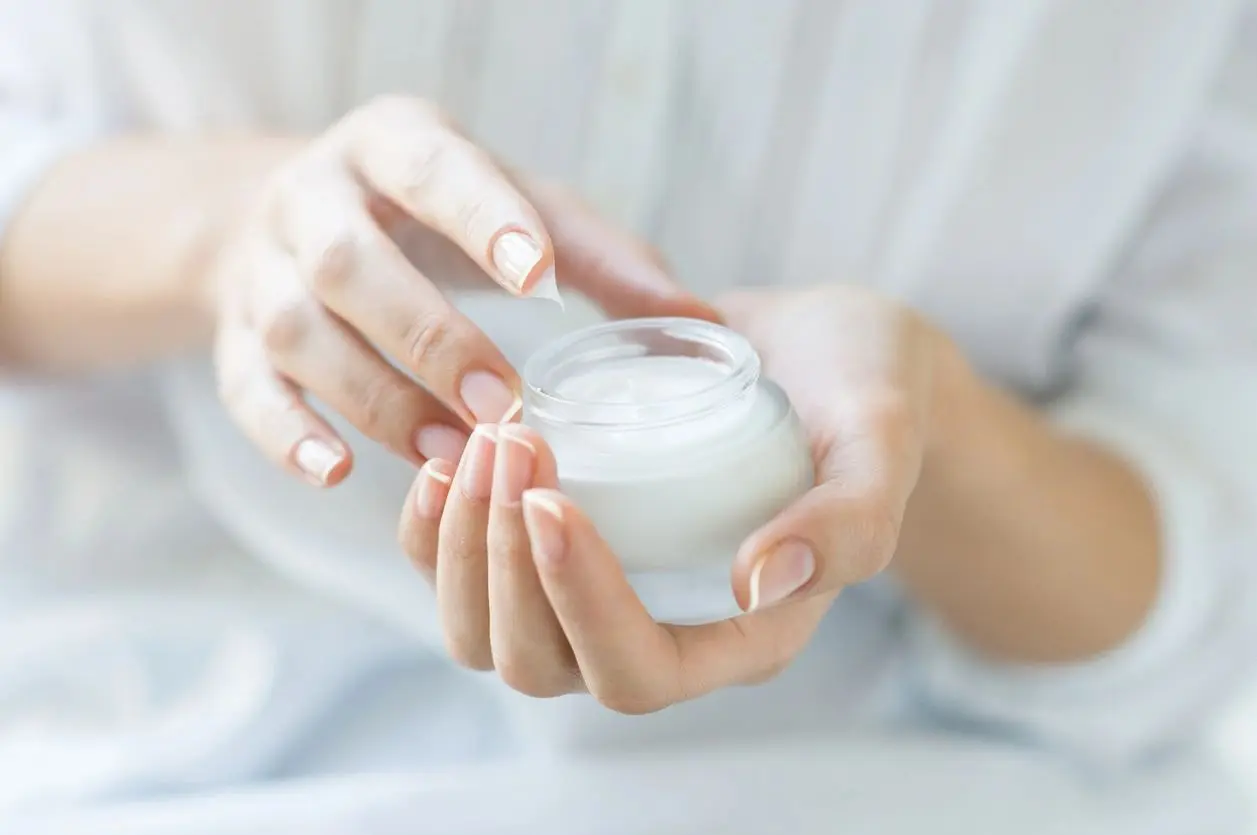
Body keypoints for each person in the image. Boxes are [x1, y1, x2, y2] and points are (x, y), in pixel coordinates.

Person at [1, 1, 1256, 832]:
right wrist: (231, 228)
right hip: (176, 754)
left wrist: (924, 420)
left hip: (907, 785)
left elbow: (1195, 590)